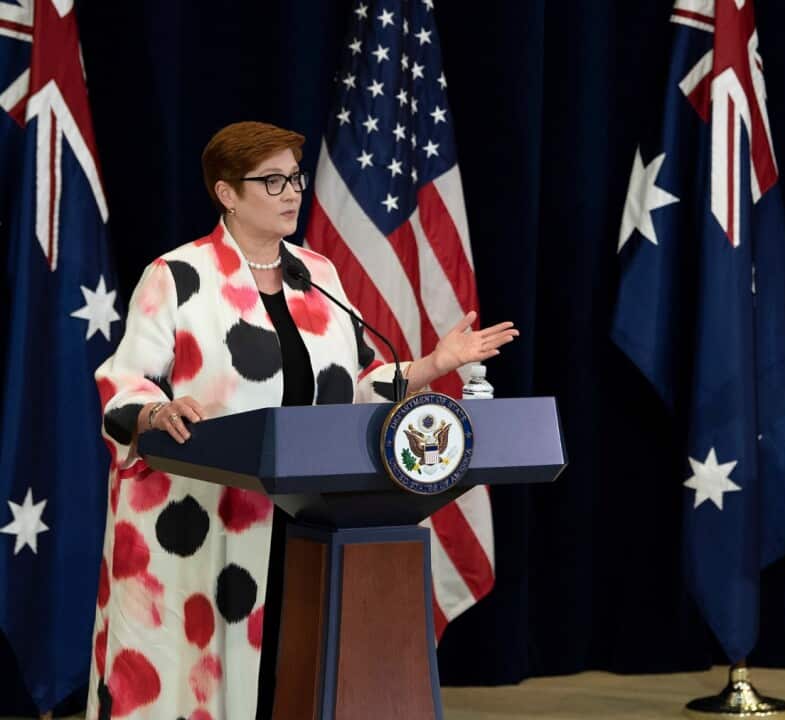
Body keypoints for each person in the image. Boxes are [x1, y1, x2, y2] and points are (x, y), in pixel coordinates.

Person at [86, 121, 518, 720]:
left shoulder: (318, 274)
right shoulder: (178, 275)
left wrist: (434, 365)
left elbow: (362, 384)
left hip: (304, 515)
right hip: (201, 521)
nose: (291, 192)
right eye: (272, 181)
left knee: (285, 675)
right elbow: (124, 381)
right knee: (197, 682)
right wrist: (157, 410)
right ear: (227, 193)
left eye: (295, 177)